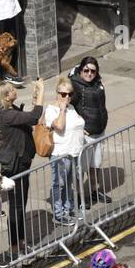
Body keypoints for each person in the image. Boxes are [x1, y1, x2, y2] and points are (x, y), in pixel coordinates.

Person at [0, 79, 44, 266]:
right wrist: (42, 93)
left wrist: (35, 96)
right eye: (12, 89)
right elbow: (35, 116)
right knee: (16, 206)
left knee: (20, 204)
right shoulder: (6, 115)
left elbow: (27, 118)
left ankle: (21, 243)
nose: (15, 90)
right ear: (6, 96)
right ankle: (15, 247)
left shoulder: (11, 111)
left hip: (22, 163)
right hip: (15, 166)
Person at [43, 81, 86, 225]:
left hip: (74, 153)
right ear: (57, 94)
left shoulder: (72, 107)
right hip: (60, 154)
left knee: (69, 183)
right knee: (59, 184)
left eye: (70, 94)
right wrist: (62, 110)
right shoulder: (52, 110)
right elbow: (60, 126)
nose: (67, 97)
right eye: (63, 94)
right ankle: (58, 214)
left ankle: (69, 209)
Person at [69, 56, 109, 207]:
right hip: (86, 135)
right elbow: (68, 107)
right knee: (81, 168)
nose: (89, 74)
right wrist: (80, 127)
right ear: (81, 70)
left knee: (95, 165)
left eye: (93, 71)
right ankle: (79, 196)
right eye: (86, 70)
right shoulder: (75, 86)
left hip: (99, 131)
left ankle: (94, 191)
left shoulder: (98, 83)